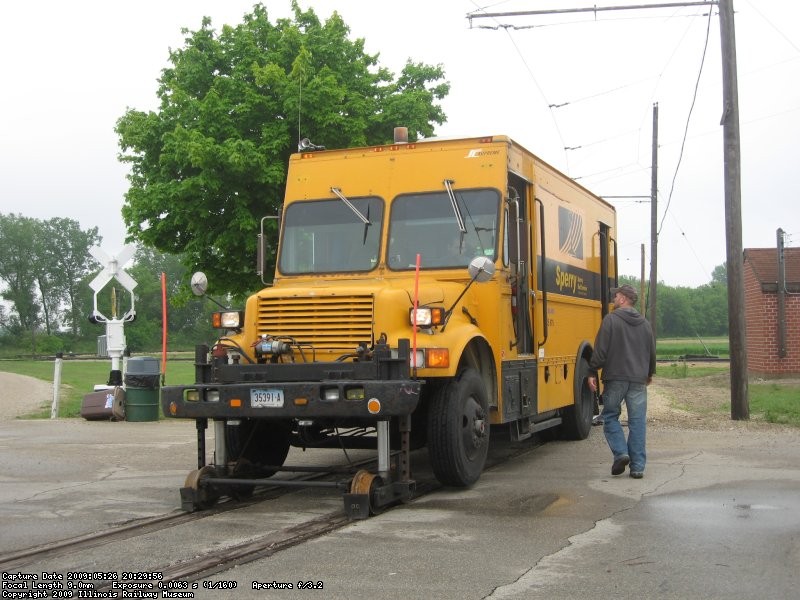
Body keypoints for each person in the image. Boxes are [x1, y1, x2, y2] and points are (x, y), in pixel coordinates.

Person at [587, 284, 656, 479]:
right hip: (638, 379)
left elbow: (600, 350)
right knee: (637, 422)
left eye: (616, 296)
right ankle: (637, 467)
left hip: (615, 377)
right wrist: (649, 373)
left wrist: (592, 371)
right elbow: (651, 352)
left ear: (624, 298)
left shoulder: (610, 320)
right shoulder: (644, 323)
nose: (614, 299)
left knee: (609, 416)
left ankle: (621, 453)